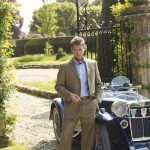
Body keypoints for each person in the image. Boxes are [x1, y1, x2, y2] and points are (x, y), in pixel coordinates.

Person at [55, 36, 103, 150]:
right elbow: (58, 86)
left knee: (88, 137)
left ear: (84, 48)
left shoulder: (93, 64)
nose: (78, 52)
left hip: (89, 105)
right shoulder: (64, 66)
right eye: (75, 50)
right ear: (72, 49)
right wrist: (70, 95)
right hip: (72, 105)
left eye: (80, 49)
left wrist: (96, 100)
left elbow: (99, 84)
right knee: (66, 136)